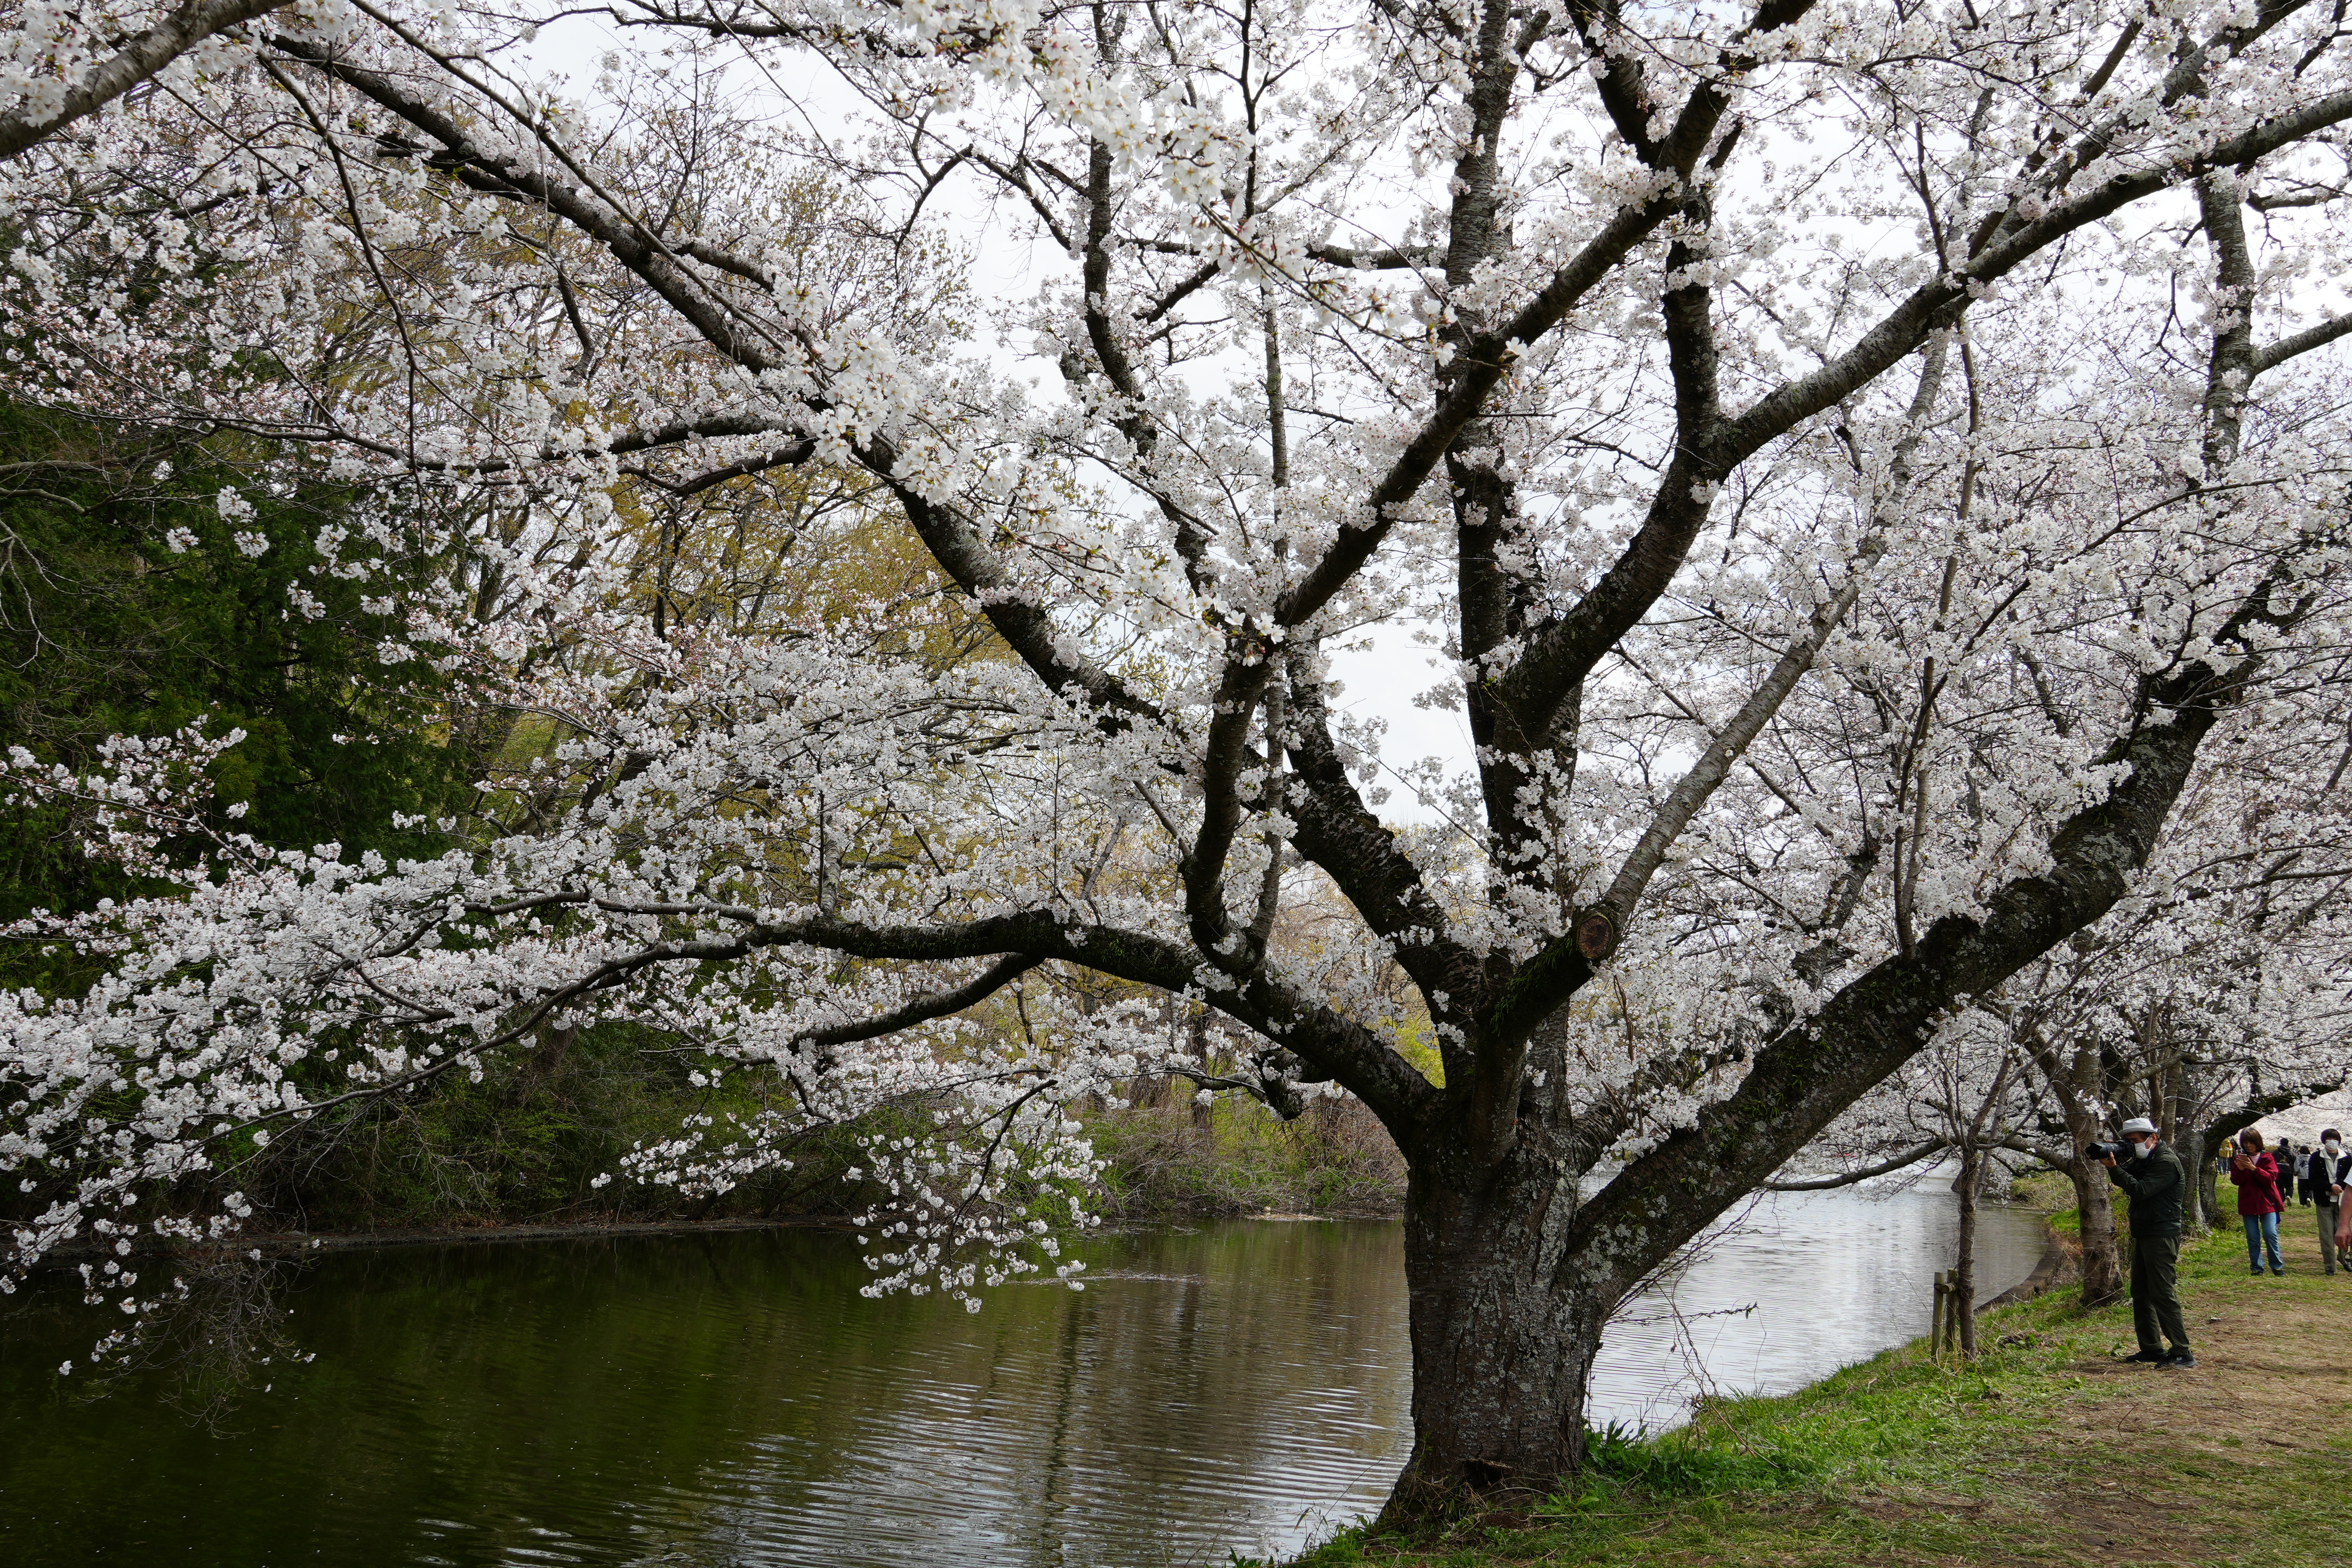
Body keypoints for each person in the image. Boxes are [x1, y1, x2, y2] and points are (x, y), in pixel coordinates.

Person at [2102, 1117, 2194, 1367]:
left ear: (2152, 1138)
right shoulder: (2149, 1159)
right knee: (2141, 1293)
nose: (2132, 1147)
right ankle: (2152, 1348)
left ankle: (2182, 1352)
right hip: (2145, 1233)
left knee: (2162, 1292)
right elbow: (2130, 1178)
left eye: (2134, 1142)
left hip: (2162, 1235)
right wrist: (2116, 1156)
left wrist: (2114, 1168)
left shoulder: (2166, 1162)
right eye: (2128, 1143)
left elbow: (2140, 1190)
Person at [2229, 1129, 2286, 1276]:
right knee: (2253, 1237)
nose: (2248, 1146)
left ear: (2258, 1143)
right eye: (2246, 1143)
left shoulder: (2267, 1158)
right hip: (2248, 1203)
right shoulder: (2239, 1159)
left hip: (2267, 1202)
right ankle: (2256, 1267)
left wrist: (2254, 1169)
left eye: (2252, 1143)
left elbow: (2270, 1179)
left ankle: (2277, 1265)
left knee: (2270, 1233)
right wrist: (2241, 1170)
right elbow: (2236, 1181)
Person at [2313, 1129, 2351, 1277]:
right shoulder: (2317, 1157)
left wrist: (2339, 1187)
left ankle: (2344, 1259)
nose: (2332, 1142)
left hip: (2342, 1201)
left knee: (2344, 1230)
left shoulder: (2347, 1158)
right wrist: (2330, 1187)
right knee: (2327, 1234)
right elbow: (2314, 1179)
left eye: (2334, 1139)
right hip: (2324, 1201)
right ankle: (2330, 1265)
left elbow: (2350, 1179)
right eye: (2328, 1139)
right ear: (2324, 1141)